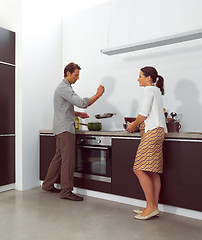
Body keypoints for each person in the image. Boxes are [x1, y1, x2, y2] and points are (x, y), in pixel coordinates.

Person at [42, 62, 105, 201]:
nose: (78, 78)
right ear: (68, 73)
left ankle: (47, 185)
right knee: (68, 161)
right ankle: (66, 191)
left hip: (60, 128)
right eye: (76, 75)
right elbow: (82, 103)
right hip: (65, 129)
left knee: (58, 158)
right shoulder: (64, 88)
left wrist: (78, 114)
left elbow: (63, 108)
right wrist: (97, 95)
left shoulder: (64, 88)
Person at [126, 66, 167, 220]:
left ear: (148, 78)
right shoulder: (156, 90)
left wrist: (132, 125)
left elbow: (143, 114)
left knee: (139, 169)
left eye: (140, 76)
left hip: (152, 133)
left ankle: (150, 207)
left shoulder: (149, 90)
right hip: (158, 132)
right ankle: (153, 206)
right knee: (153, 171)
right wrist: (136, 124)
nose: (138, 79)